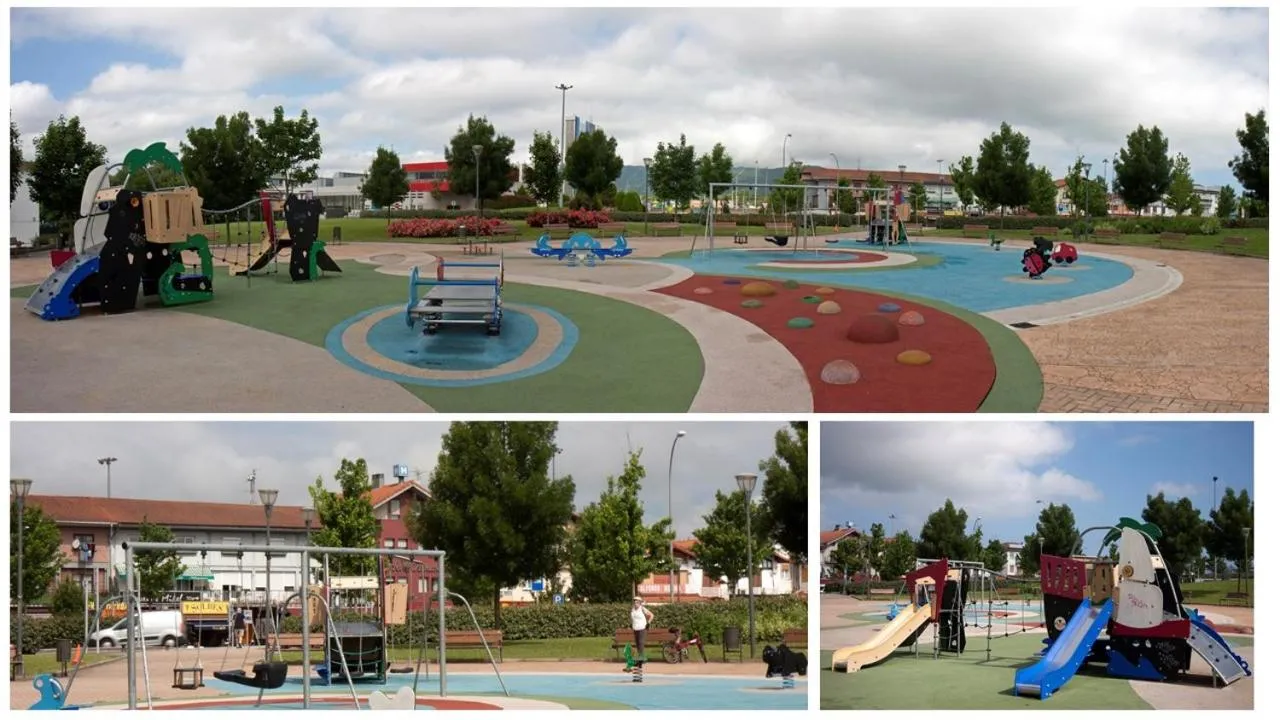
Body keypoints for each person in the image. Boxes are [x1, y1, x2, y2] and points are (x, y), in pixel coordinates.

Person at [630, 597, 654, 666]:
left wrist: (648, 623)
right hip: (635, 629)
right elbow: (632, 618)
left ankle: (640, 660)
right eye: (634, 601)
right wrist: (632, 624)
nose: (635, 603)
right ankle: (642, 659)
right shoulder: (632, 609)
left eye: (637, 602)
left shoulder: (642, 609)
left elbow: (652, 615)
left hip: (642, 629)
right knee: (638, 645)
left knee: (641, 644)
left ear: (640, 603)